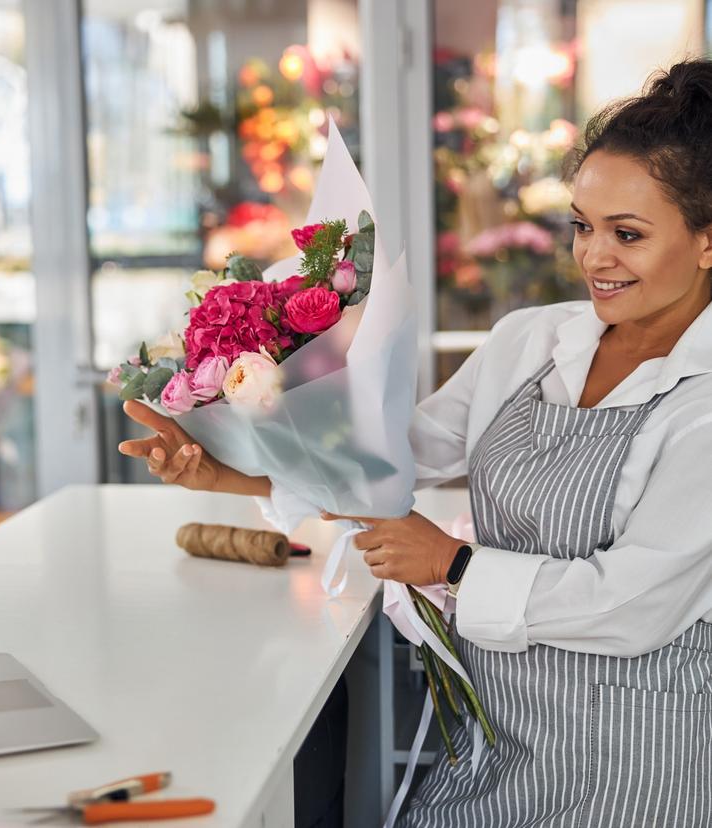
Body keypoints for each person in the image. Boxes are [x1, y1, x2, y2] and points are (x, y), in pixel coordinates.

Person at [118, 59, 712, 827]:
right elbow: (392, 458)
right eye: (583, 225)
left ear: (706, 241)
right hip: (498, 740)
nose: (593, 257)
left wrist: (452, 563)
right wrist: (225, 469)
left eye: (627, 234)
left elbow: (635, 605)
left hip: (637, 762)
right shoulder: (531, 342)